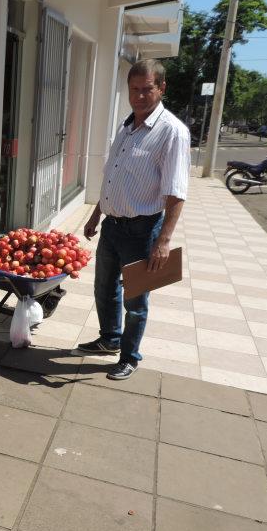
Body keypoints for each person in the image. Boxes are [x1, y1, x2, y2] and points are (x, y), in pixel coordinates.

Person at [77, 59, 189, 381]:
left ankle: (129, 356)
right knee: (104, 288)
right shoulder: (126, 128)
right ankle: (109, 338)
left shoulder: (172, 133)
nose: (140, 95)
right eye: (134, 89)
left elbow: (176, 192)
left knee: (136, 300)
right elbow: (113, 179)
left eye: (147, 89)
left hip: (142, 232)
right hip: (111, 227)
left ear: (162, 88)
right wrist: (95, 215)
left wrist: (163, 241)